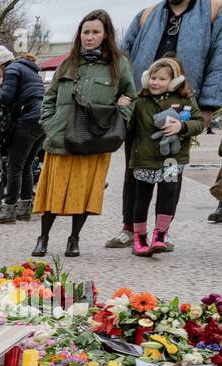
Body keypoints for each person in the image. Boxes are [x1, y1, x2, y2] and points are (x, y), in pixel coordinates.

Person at [108, 0, 222, 244]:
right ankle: (130, 228)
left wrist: (208, 105)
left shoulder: (212, 12)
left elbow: (218, 60)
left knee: (172, 173)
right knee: (134, 168)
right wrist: (122, 94)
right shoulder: (146, 15)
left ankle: (162, 232)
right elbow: (124, 57)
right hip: (142, 103)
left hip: (180, 105)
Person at [31, 11, 136, 258]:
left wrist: (122, 116)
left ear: (106, 34)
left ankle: (73, 239)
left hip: (95, 141)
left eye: (95, 32)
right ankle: (43, 237)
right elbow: (49, 97)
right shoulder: (69, 62)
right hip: (61, 139)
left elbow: (131, 97)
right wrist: (49, 123)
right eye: (85, 32)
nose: (89, 37)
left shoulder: (119, 65)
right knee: (51, 194)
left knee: (84, 193)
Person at [126, 57, 207, 253]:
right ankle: (140, 238)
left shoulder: (185, 99)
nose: (155, 82)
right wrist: (124, 106)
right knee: (142, 198)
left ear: (174, 81)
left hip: (172, 159)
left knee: (167, 195)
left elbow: (199, 122)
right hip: (144, 158)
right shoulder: (141, 100)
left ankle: (160, 234)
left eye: (162, 79)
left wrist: (182, 126)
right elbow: (128, 124)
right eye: (153, 78)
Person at [0, 46, 46, 224]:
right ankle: (24, 209)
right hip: (42, 120)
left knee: (14, 166)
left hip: (28, 120)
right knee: (26, 164)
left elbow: (5, 99)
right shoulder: (28, 67)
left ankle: (9, 209)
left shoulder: (12, 69)